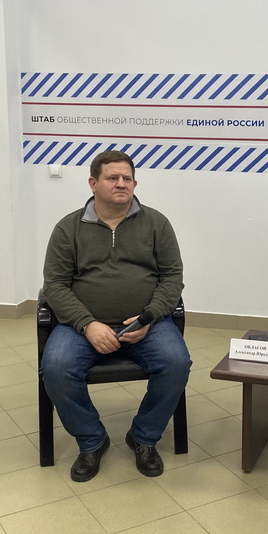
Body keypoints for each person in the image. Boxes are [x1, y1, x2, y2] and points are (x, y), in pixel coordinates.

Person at [41, 150, 191, 482]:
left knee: (177, 363)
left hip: (147, 323)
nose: (121, 184)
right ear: (93, 183)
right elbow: (55, 285)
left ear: (135, 183)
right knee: (55, 368)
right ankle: (92, 440)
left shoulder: (156, 223)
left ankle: (144, 436)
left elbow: (172, 278)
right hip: (83, 326)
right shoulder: (68, 228)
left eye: (127, 178)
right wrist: (87, 324)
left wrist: (149, 317)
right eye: (113, 178)